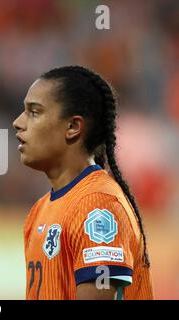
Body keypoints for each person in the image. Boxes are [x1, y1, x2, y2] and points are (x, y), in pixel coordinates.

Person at [12, 65, 153, 300]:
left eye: (34, 112)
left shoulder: (97, 205)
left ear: (73, 127)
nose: (18, 122)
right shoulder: (40, 210)